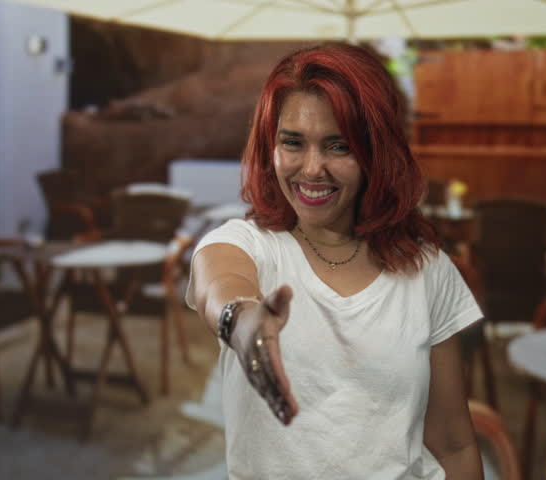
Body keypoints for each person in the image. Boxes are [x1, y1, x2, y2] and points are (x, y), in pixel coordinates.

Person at [186, 43, 484, 479]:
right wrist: (241, 322)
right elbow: (219, 284)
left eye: (338, 146)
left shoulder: (427, 269)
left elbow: (455, 446)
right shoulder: (247, 244)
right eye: (292, 142)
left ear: (376, 152)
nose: (311, 169)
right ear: (270, 146)